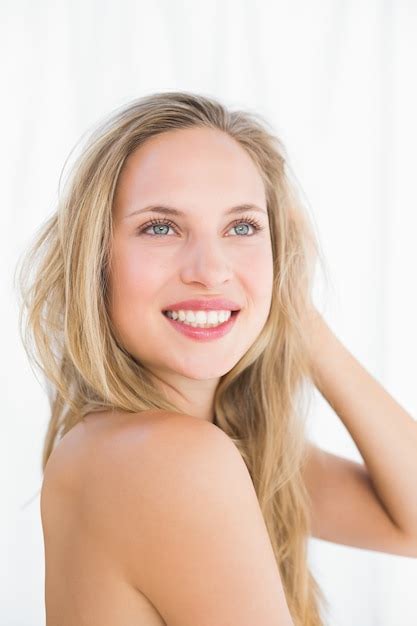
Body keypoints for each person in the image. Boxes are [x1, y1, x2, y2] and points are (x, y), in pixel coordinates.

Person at [16, 91, 329, 625]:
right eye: (160, 227)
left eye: (243, 227)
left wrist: (291, 306)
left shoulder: (157, 441)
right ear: (97, 262)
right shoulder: (170, 457)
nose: (210, 270)